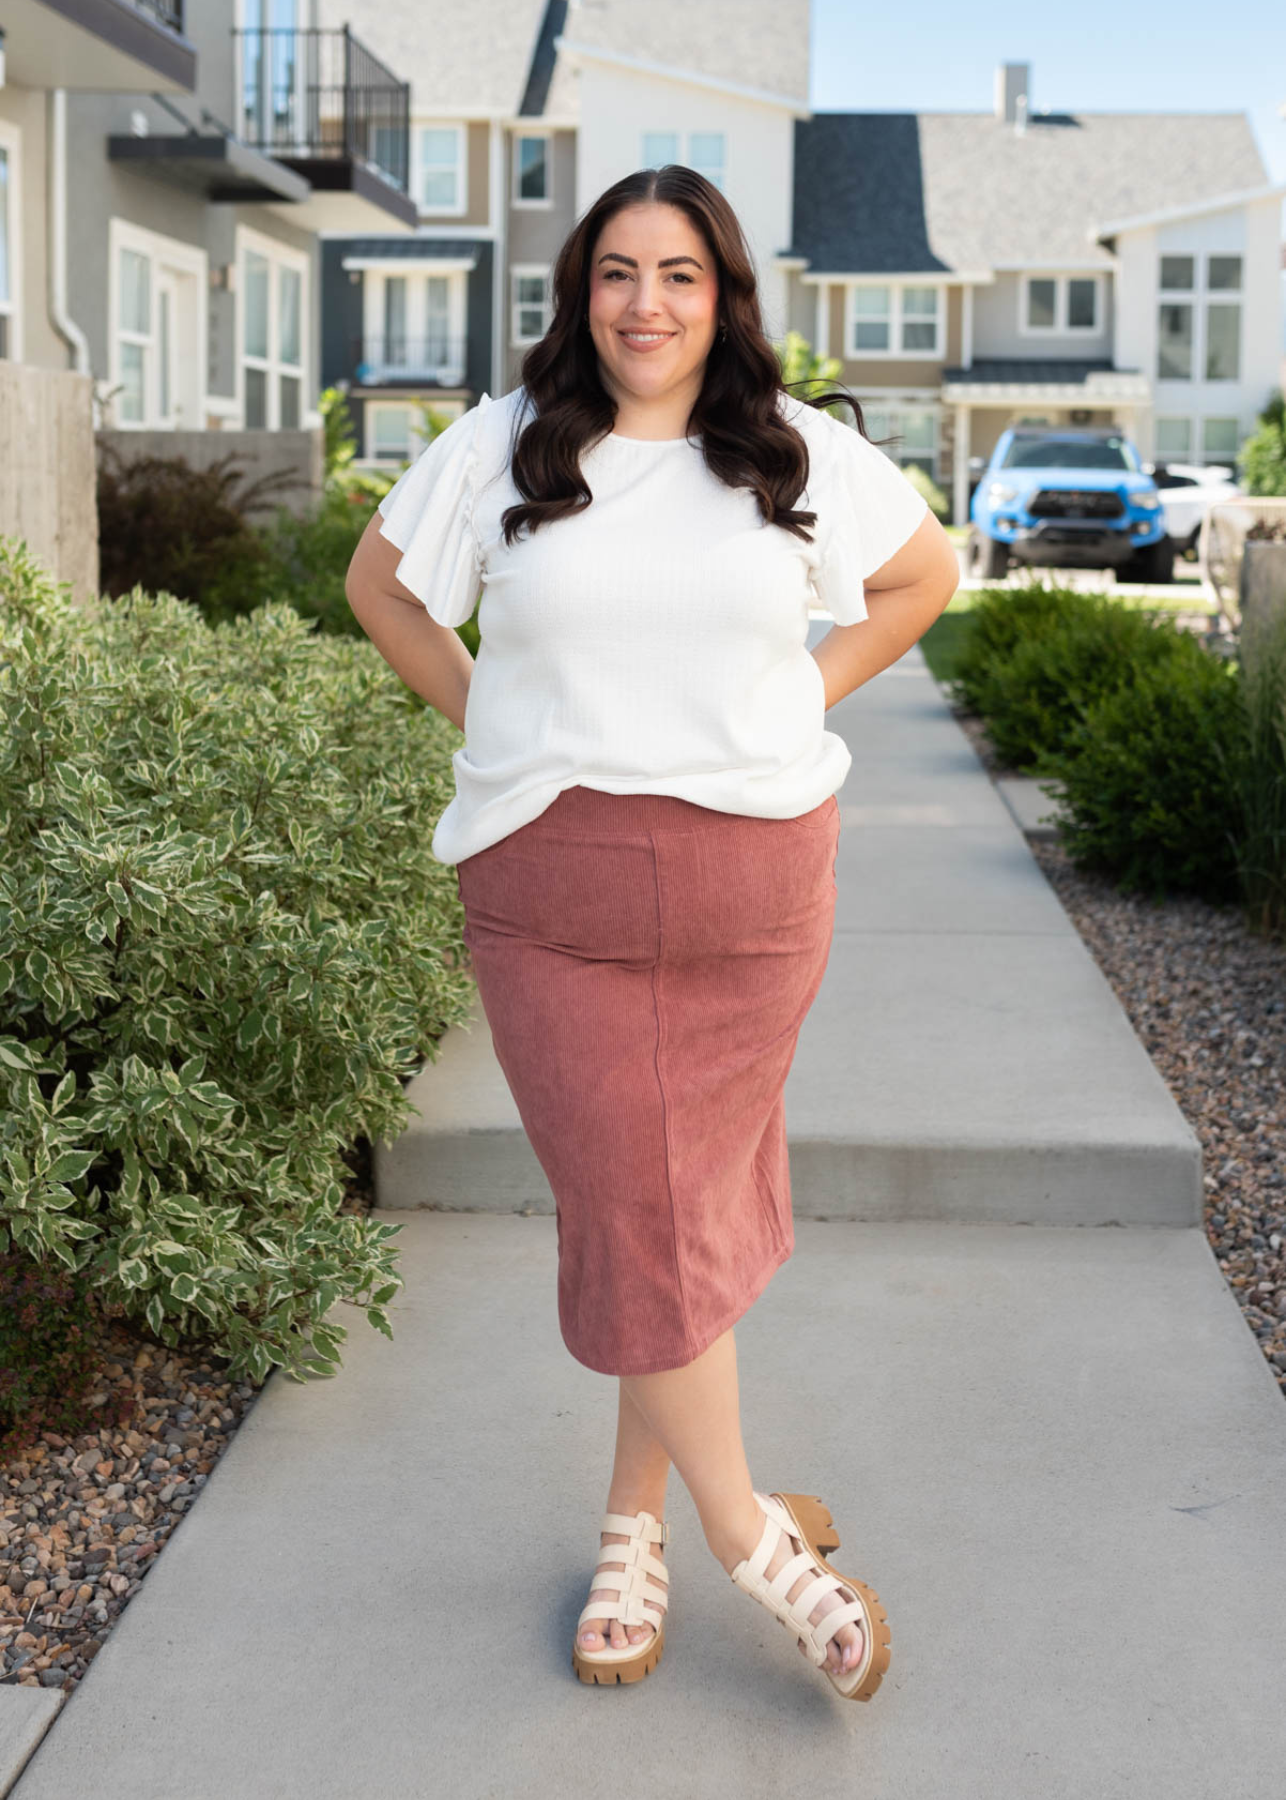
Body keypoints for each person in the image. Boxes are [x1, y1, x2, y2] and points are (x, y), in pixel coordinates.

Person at [344, 165, 959, 1702]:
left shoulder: (786, 450)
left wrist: (793, 699)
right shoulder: (502, 443)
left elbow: (918, 576)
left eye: (678, 274)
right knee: (638, 1207)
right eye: (616, 271)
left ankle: (636, 1523)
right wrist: (504, 722)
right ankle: (754, 1538)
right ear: (580, 290)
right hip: (551, 898)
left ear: (721, 294)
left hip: (756, 896)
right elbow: (383, 590)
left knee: (671, 1210)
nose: (644, 304)